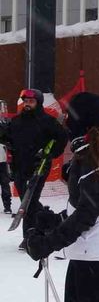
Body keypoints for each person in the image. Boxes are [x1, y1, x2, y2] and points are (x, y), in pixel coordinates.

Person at [24, 92, 99, 301]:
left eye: (69, 117)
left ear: (84, 122)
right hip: (90, 252)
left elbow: (87, 213)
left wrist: (49, 243)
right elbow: (89, 205)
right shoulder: (95, 152)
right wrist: (55, 220)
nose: (66, 123)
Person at [0, 88, 67, 247]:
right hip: (19, 168)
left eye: (31, 101)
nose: (27, 104)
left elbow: (62, 138)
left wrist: (50, 154)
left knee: (29, 202)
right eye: (26, 101)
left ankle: (30, 236)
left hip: (39, 167)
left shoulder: (47, 121)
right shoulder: (16, 121)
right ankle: (50, 220)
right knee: (26, 200)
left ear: (38, 103)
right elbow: (6, 138)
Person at [0, 140, 11, 213]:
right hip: (3, 165)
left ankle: (7, 207)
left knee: (5, 186)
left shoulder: (3, 141)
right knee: (5, 186)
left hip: (2, 164)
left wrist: (9, 170)